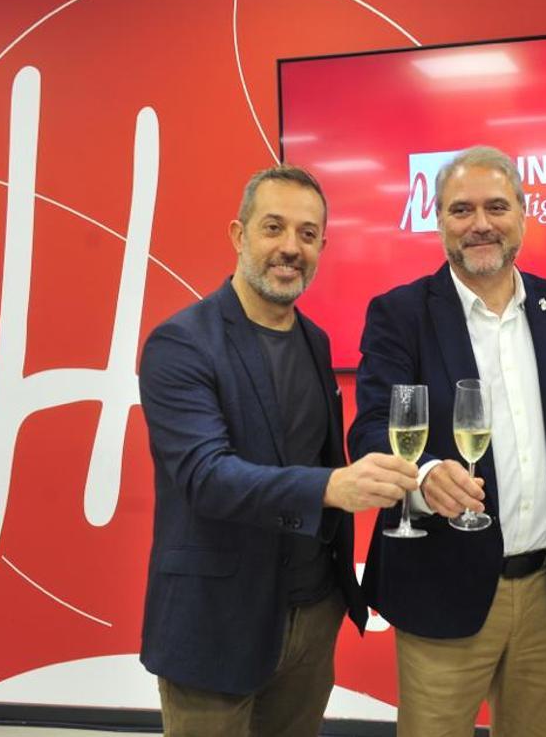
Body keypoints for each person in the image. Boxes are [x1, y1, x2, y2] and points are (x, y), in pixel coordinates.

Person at [348, 146, 546, 736]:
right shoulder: (401, 314)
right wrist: (424, 477)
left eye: (496, 207)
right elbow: (372, 427)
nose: (480, 224)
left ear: (523, 216)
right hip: (442, 587)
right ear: (440, 220)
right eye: (461, 210)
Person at [138, 165, 419, 737]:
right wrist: (331, 488)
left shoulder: (314, 341)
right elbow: (205, 478)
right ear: (239, 236)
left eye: (308, 234)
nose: (291, 247)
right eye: (274, 228)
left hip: (312, 616)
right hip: (217, 621)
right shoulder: (180, 343)